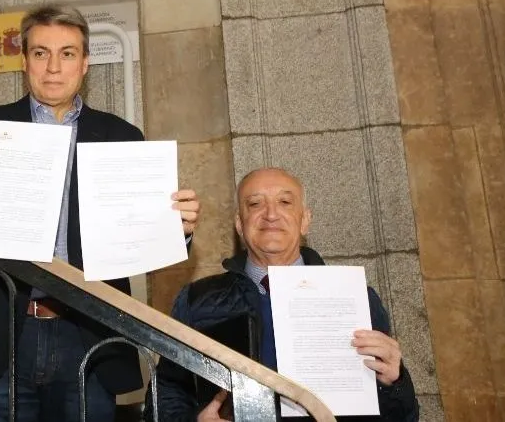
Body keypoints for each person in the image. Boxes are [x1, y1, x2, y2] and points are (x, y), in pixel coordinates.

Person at [0, 3, 202, 422]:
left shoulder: (122, 136)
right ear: (24, 61)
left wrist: (177, 229)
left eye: (67, 53)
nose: (53, 67)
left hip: (89, 331)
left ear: (84, 64)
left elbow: (144, 234)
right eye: (41, 53)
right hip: (0, 330)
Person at [146, 167, 419, 422]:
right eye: (255, 204)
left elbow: (400, 416)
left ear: (305, 220)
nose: (271, 214)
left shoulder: (355, 297)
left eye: (285, 203)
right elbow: (166, 391)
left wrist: (394, 383)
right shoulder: (197, 298)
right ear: (240, 225)